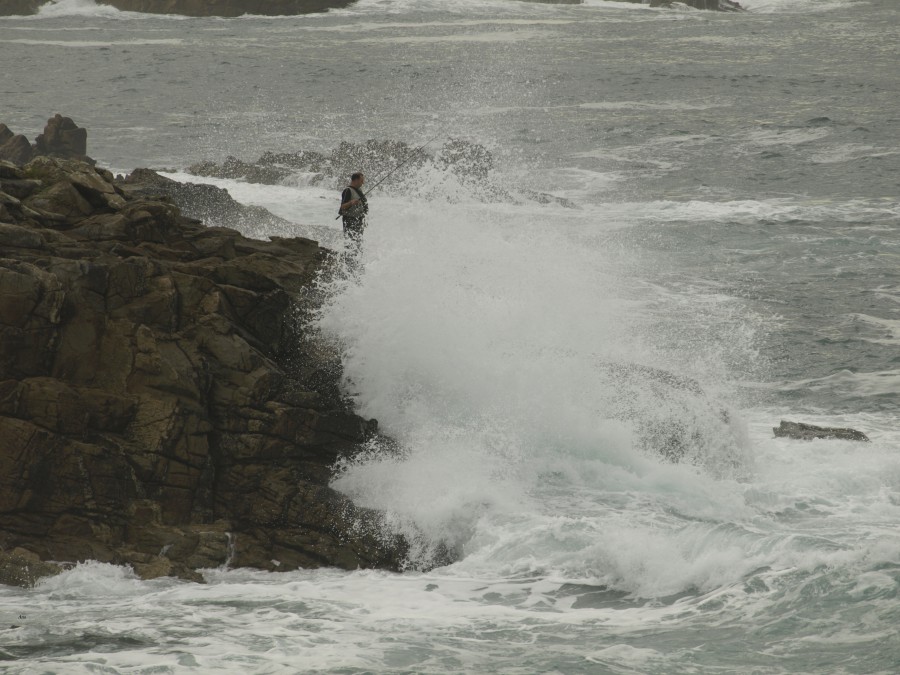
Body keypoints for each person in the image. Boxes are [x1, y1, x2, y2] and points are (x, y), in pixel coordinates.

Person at [339, 172, 368, 249]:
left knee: (358, 243)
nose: (363, 183)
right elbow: (342, 207)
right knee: (350, 243)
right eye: (362, 181)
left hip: (359, 220)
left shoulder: (359, 190)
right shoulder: (347, 190)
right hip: (350, 220)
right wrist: (351, 203)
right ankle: (348, 259)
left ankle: (357, 260)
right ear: (356, 180)